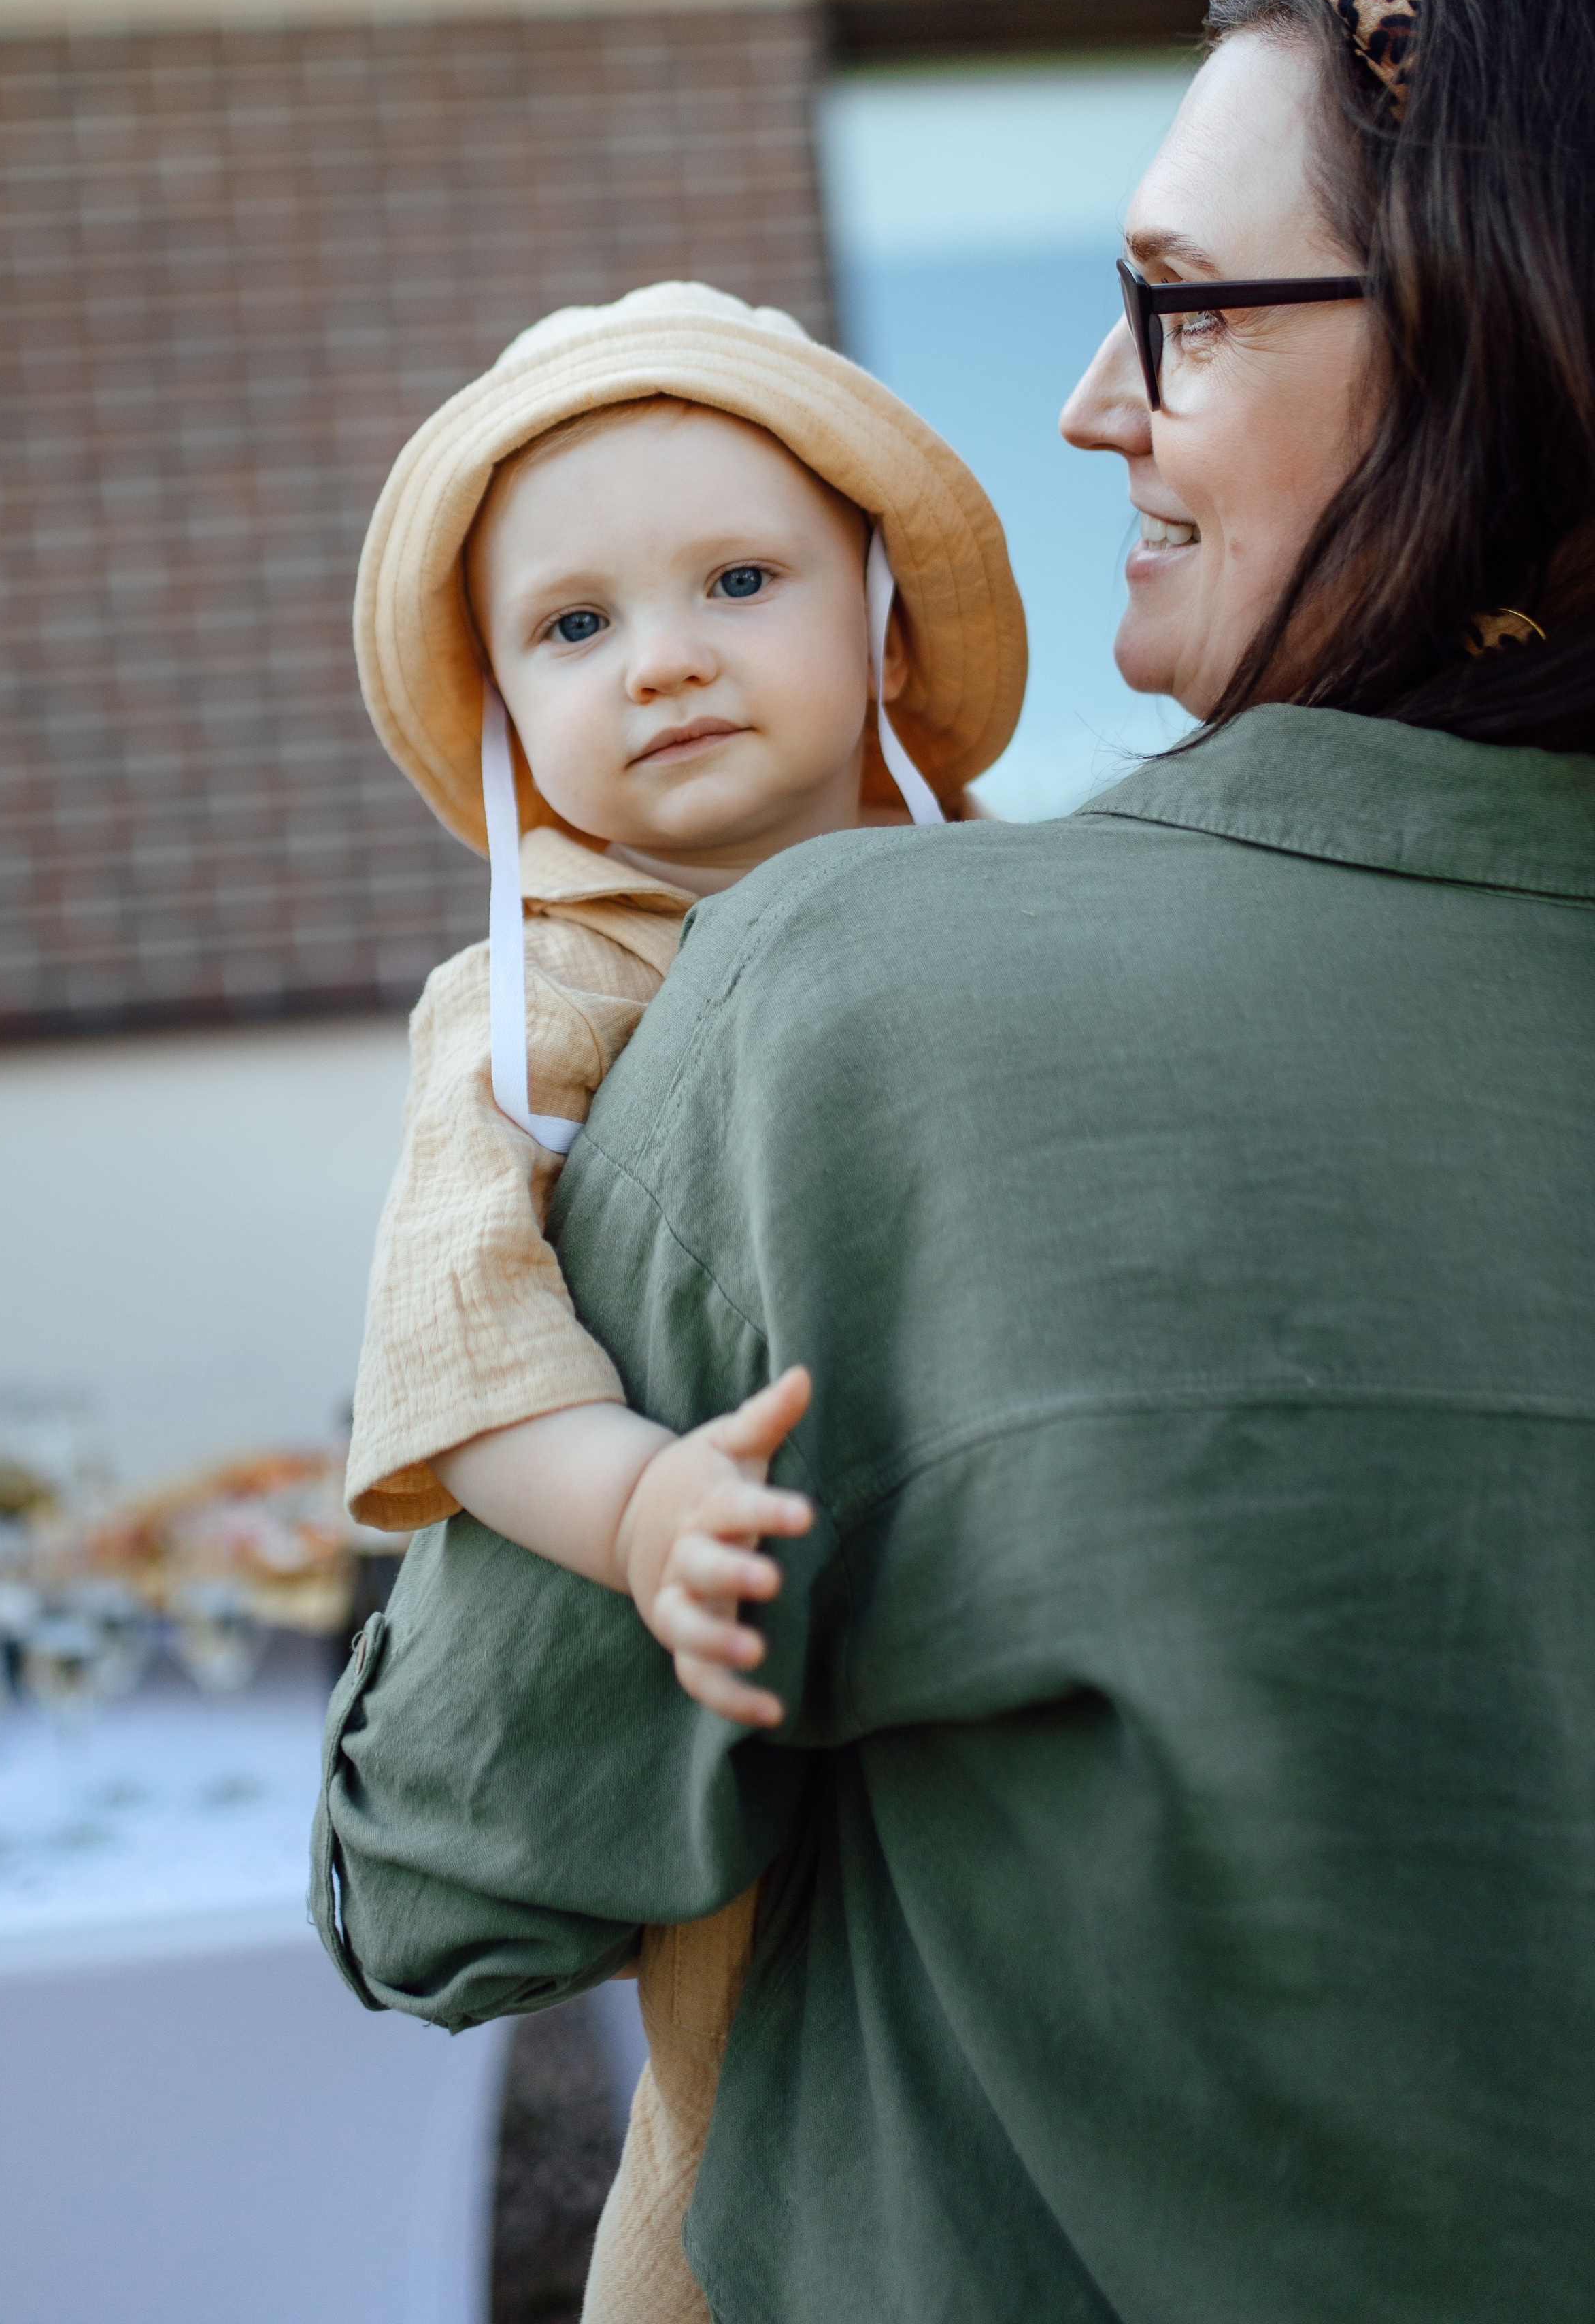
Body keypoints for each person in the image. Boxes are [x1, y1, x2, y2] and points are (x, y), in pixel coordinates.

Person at [317, 0, 1595, 2321]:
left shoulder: (848, 1005)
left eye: (1184, 309)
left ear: (1504, 342)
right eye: (575, 628)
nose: (1091, 399)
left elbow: (444, 1883)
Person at [340, 277, 1023, 2319]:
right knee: (763, 2136)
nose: (668, 662)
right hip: (730, 1645)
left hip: (1009, 1580)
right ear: (501, 709)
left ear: (882, 621)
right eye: (577, 627)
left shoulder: (1015, 912)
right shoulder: (536, 1003)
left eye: (740, 579)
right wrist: (645, 1512)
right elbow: (462, 1348)